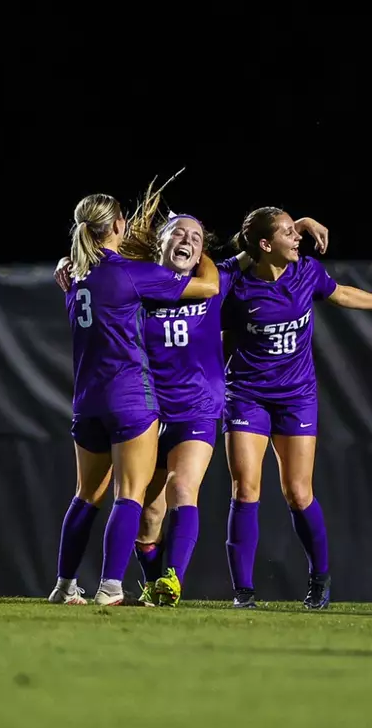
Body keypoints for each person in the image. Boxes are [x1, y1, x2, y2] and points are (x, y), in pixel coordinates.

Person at [52, 209, 331, 606]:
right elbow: (94, 275)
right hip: (147, 410)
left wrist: (298, 227)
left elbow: (257, 245)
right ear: (160, 243)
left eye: (197, 237)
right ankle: (151, 585)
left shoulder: (218, 276)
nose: (187, 241)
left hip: (197, 409)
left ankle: (171, 580)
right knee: (147, 516)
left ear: (203, 252)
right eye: (178, 234)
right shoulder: (140, 281)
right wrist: (65, 264)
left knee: (183, 487)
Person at [220, 207, 372, 610]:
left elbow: (342, 292)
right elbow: (210, 275)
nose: (298, 237)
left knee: (298, 492)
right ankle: (243, 592)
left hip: (296, 395)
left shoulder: (306, 271)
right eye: (287, 233)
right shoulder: (234, 282)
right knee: (246, 488)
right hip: (246, 394)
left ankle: (319, 579)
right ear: (264, 245)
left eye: (296, 231)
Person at [48, 193, 220, 607]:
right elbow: (209, 286)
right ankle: (110, 587)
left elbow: (79, 267)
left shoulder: (74, 277)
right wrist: (206, 253)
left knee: (85, 495)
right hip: (130, 399)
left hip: (86, 403)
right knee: (130, 494)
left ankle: (64, 586)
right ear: (120, 227)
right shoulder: (132, 274)